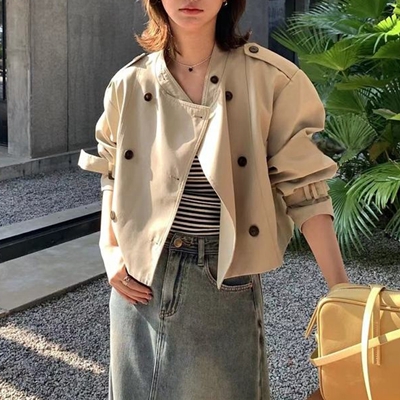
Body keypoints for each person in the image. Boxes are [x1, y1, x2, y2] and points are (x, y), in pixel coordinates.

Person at [78, 0, 349, 399]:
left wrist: (343, 292)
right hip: (138, 278)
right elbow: (112, 169)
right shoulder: (129, 82)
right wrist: (110, 247)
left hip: (222, 278)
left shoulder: (271, 79)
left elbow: (305, 188)